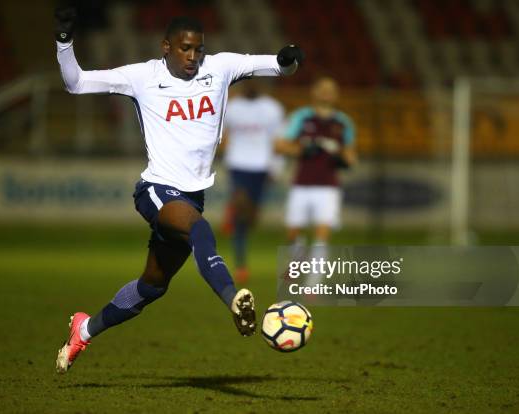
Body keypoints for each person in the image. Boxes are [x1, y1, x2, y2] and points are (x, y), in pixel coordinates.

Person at [53, 8, 304, 373]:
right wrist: (64, 41)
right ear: (166, 47)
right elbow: (75, 82)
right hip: (156, 189)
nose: (193, 57)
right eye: (185, 49)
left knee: (152, 287)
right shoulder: (141, 76)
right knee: (199, 228)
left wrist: (290, 58)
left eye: (198, 49)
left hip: (192, 195)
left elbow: (279, 65)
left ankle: (85, 329)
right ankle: (234, 299)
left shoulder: (219, 68)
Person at [275, 77, 356, 270]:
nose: (327, 93)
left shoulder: (343, 122)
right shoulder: (301, 117)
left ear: (336, 95)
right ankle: (298, 262)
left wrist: (344, 160)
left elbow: (351, 154)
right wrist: (301, 150)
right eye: (323, 89)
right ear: (314, 92)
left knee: (322, 234)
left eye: (331, 89)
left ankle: (313, 282)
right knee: (293, 233)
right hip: (301, 184)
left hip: (328, 187)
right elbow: (280, 146)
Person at [219, 81, 285, 283]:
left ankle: (236, 215)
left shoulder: (273, 108)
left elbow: (279, 139)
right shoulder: (232, 108)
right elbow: (223, 133)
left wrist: (276, 167)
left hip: (261, 166)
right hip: (238, 164)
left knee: (250, 218)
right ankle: (241, 265)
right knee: (241, 209)